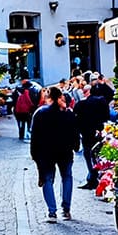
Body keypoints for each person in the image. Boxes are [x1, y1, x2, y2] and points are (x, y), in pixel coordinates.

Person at [31, 90, 81, 222]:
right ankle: (66, 209)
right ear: (59, 98)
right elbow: (75, 132)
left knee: (47, 180)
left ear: (48, 98)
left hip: (46, 153)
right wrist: (75, 146)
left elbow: (34, 136)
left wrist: (34, 154)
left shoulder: (40, 113)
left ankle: (52, 212)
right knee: (67, 178)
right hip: (65, 152)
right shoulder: (68, 114)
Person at [76, 80, 113, 188]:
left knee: (88, 155)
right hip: (100, 132)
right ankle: (101, 177)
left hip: (87, 133)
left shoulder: (81, 104)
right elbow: (107, 116)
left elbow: (77, 120)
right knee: (100, 155)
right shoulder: (102, 101)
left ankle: (92, 178)